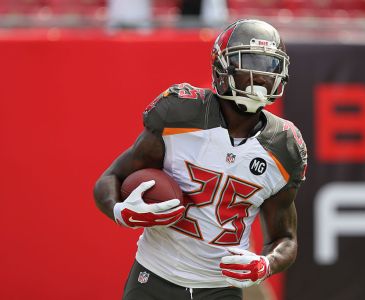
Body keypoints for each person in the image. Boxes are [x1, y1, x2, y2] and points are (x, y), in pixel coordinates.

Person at [94, 19, 308, 300]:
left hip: (220, 288)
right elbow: (109, 180)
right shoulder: (181, 115)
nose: (262, 75)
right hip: (155, 276)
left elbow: (285, 239)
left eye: (270, 65)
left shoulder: (284, 146)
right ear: (223, 66)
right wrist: (121, 211)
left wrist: (266, 264)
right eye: (250, 62)